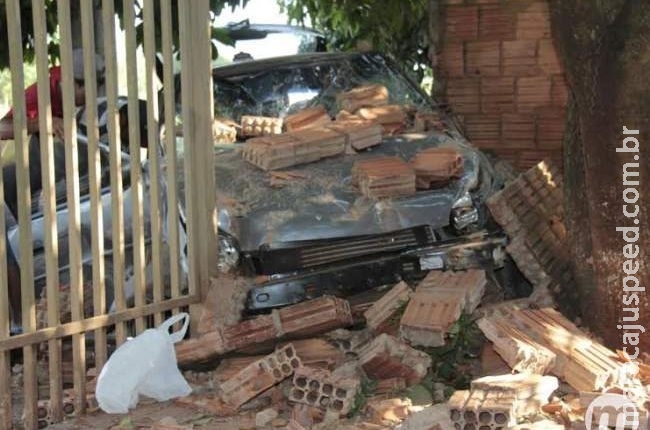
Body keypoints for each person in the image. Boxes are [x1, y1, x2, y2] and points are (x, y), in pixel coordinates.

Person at [0, 48, 105, 140]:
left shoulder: (70, 98)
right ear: (74, 83)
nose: (93, 97)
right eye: (90, 92)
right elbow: (2, 128)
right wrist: (42, 123)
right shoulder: (39, 94)